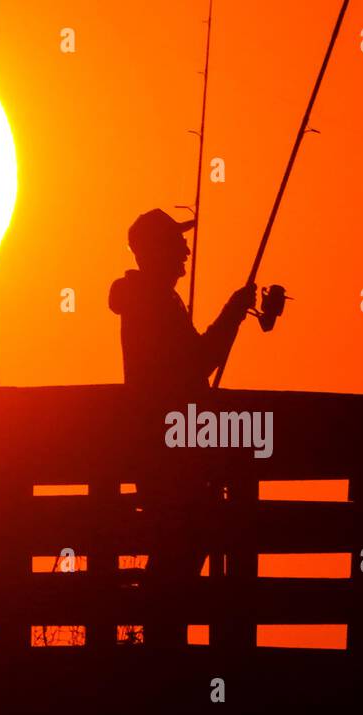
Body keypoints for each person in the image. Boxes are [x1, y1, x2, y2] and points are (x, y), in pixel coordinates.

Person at [108, 209, 256, 646]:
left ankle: (159, 642)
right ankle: (162, 645)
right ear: (154, 250)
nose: (186, 250)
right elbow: (196, 362)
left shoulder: (153, 299)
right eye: (177, 243)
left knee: (178, 544)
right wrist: (233, 311)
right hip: (168, 450)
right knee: (182, 544)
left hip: (166, 446)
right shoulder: (152, 302)